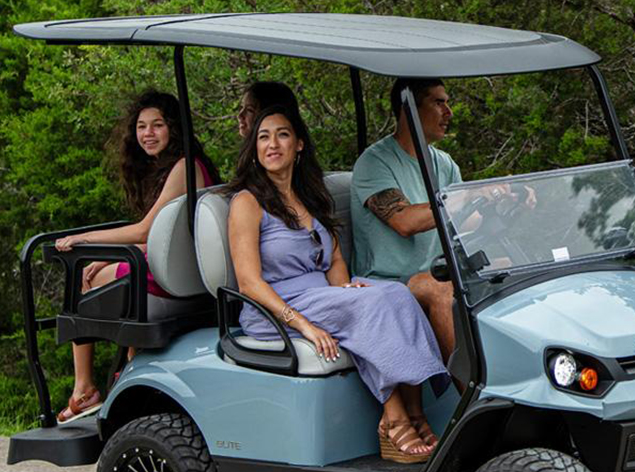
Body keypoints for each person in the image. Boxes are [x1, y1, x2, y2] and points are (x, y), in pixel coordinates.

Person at [225, 105, 448, 464]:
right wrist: (304, 325)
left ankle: (415, 410)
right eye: (263, 137)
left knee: (395, 293)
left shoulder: (309, 197)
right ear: (253, 148)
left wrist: (343, 290)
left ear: (298, 144)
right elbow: (249, 282)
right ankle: (394, 419)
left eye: (282, 134)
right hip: (276, 305)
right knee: (370, 305)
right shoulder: (247, 203)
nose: (272, 144)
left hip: (320, 295)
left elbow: (334, 259)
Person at [52, 91, 220, 424]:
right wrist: (104, 256)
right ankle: (126, 370)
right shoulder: (179, 166)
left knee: (79, 281)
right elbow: (168, 236)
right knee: (92, 269)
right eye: (142, 126)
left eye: (158, 125)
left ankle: (84, 389)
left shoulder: (184, 167)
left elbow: (146, 231)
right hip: (176, 270)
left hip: (170, 279)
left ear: (173, 128)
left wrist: (86, 240)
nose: (148, 133)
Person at [351, 79, 536, 366]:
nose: (449, 112)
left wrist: (508, 205)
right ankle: (469, 396)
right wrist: (466, 196)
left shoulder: (444, 163)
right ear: (407, 109)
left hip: (436, 269)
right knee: (440, 288)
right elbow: (404, 221)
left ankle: (532, 373)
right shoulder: (375, 162)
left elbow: (468, 222)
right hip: (387, 282)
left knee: (514, 269)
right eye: (439, 103)